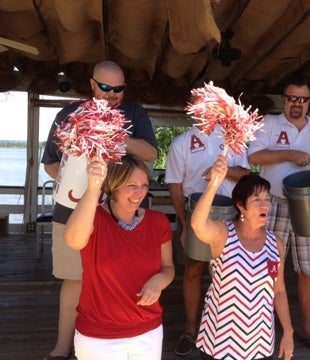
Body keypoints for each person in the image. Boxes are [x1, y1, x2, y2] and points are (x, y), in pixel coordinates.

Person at [41, 60, 158, 360]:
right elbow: (51, 164)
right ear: (92, 84)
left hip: (123, 210)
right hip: (74, 208)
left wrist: (112, 133)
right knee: (73, 277)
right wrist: (79, 181)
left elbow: (150, 154)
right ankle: (63, 345)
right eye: (105, 87)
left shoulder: (134, 113)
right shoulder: (68, 115)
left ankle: (122, 338)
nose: (112, 94)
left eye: (118, 89)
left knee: (121, 275)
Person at [248, 76, 310, 352]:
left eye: (302, 99)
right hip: (272, 204)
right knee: (267, 268)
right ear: (283, 99)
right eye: (291, 98)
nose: (296, 104)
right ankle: (263, 326)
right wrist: (291, 154)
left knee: (308, 271)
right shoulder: (269, 123)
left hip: (309, 208)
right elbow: (253, 157)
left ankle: (307, 328)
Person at [64, 154, 174, 359]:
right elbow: (74, 240)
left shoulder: (158, 221)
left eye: (143, 185)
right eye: (131, 185)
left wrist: (159, 281)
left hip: (148, 332)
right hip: (99, 337)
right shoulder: (93, 218)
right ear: (113, 186)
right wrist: (94, 186)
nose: (139, 192)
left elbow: (168, 269)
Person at [190, 155, 294, 360]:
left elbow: (279, 290)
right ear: (241, 205)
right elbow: (197, 225)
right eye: (256, 200)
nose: (264, 205)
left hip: (261, 343)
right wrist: (214, 184)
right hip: (219, 342)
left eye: (267, 199)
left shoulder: (276, 243)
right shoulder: (223, 234)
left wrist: (288, 332)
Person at [165, 124, 250, 356]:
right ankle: (191, 329)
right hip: (195, 214)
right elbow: (175, 185)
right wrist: (183, 224)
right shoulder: (181, 142)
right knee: (193, 270)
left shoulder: (235, 138)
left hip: (230, 215)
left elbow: (245, 175)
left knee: (227, 274)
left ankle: (223, 329)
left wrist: (223, 171)